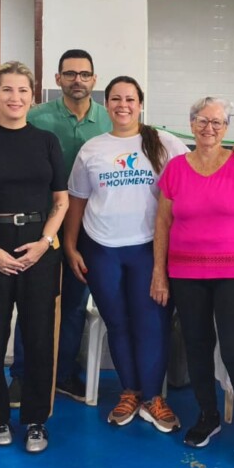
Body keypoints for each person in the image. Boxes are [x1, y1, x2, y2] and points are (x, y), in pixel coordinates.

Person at [151, 96, 234, 465]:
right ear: (191, 125)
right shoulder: (175, 169)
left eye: (217, 122)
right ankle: (208, 416)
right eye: (203, 121)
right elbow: (163, 222)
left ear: (226, 128)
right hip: (186, 274)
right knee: (197, 347)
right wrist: (159, 272)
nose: (209, 128)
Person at [63, 76, 188, 431]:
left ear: (140, 104)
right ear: (106, 104)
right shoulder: (92, 149)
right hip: (101, 249)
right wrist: (70, 245)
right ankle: (130, 392)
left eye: (130, 99)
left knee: (152, 323)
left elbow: (198, 171)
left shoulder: (165, 143)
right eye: (116, 99)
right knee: (117, 322)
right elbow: (77, 200)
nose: (123, 105)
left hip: (148, 248)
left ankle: (153, 397)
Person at [0, 62, 68, 453]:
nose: (15, 97)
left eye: (22, 90)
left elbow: (61, 200)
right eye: (7, 89)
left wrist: (44, 242)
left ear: (32, 96)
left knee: (40, 338)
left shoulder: (47, 142)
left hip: (40, 248)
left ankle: (37, 420)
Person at [25, 49, 112, 402]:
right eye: (71, 74)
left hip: (89, 228)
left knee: (75, 304)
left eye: (85, 74)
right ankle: (24, 375)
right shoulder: (36, 117)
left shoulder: (109, 119)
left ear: (94, 79)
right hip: (42, 225)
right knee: (34, 302)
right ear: (58, 79)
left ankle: (63, 375)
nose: (78, 80)